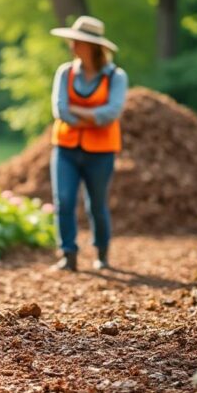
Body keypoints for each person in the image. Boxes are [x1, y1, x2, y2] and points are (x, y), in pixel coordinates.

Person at [49, 16, 128, 271]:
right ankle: (68, 254)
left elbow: (112, 112)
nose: (72, 45)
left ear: (94, 46)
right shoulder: (65, 72)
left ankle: (102, 254)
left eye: (78, 42)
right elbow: (60, 109)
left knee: (96, 204)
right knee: (64, 200)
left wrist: (79, 114)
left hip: (101, 152)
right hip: (66, 148)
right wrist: (93, 116)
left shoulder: (116, 76)